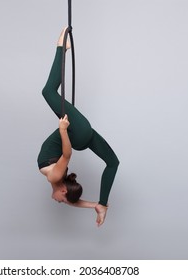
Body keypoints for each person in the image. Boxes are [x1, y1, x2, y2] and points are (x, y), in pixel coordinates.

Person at [37, 28, 119, 226]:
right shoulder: (55, 177)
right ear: (64, 190)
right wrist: (64, 130)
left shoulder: (58, 180)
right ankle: (61, 48)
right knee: (48, 92)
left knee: (113, 163)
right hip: (75, 133)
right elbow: (66, 155)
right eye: (63, 200)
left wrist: (97, 205)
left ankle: (104, 205)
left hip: (80, 136)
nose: (59, 202)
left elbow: (72, 200)